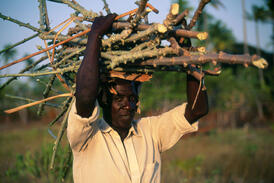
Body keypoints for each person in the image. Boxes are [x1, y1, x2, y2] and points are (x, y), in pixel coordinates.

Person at [67, 14, 208, 183]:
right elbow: (85, 96)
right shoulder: (86, 137)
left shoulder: (151, 131)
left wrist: (186, 53)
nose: (128, 105)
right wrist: (95, 34)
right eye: (119, 98)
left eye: (132, 98)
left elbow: (197, 109)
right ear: (104, 99)